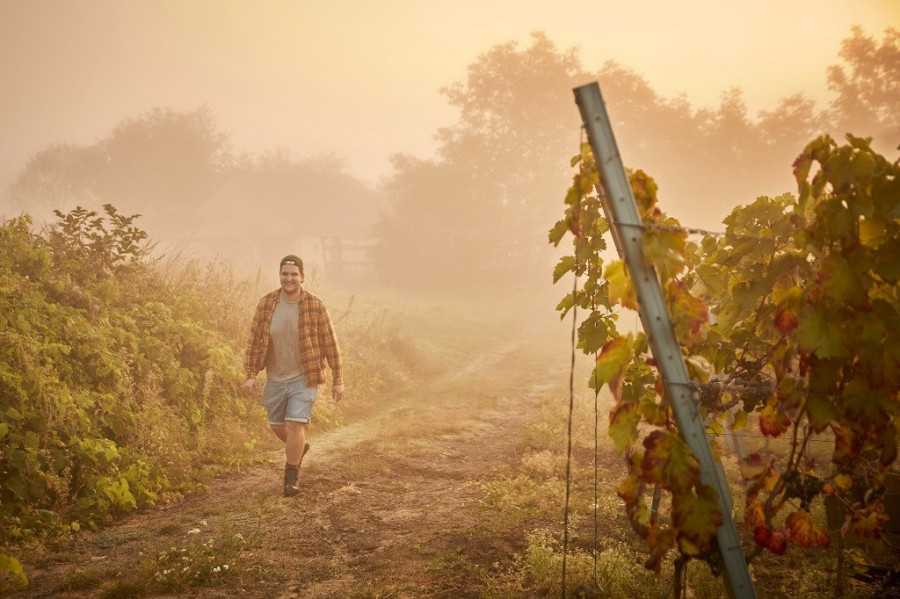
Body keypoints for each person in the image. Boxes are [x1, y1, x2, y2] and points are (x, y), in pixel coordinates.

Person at [243, 254, 344, 497]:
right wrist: (250, 373)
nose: (289, 279)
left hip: (305, 377)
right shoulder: (267, 303)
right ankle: (299, 448)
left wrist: (338, 379)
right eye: (285, 274)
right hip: (276, 377)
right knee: (277, 425)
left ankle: (291, 477)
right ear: (280, 276)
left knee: (295, 423)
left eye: (294, 274)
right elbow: (255, 341)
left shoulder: (315, 305)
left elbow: (330, 343)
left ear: (302, 277)